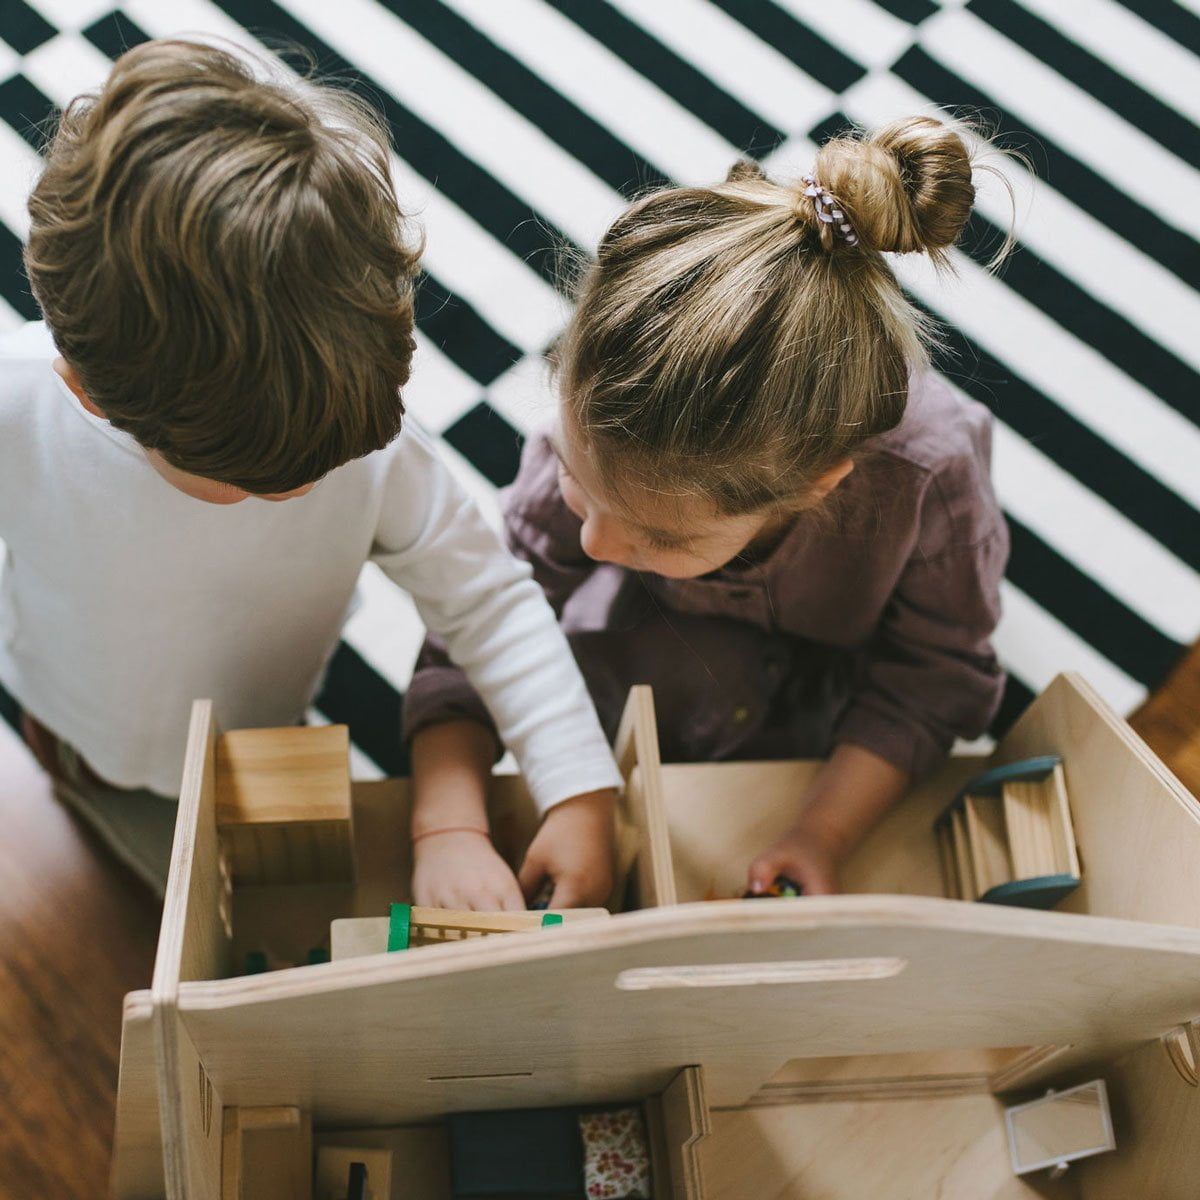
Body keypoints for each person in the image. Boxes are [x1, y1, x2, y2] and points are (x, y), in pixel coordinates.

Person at [0, 39, 620, 901]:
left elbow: (489, 599)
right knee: (93, 801)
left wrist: (578, 786)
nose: (313, 483)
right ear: (91, 392)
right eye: (264, 481)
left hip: (265, 714)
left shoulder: (371, 452)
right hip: (72, 711)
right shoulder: (18, 406)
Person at [405, 116, 1009, 900]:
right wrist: (451, 820)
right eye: (577, 482)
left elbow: (934, 678)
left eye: (659, 535)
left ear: (819, 486)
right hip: (658, 650)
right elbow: (478, 616)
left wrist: (821, 831)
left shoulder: (930, 478)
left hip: (822, 693)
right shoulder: (605, 419)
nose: (592, 542)